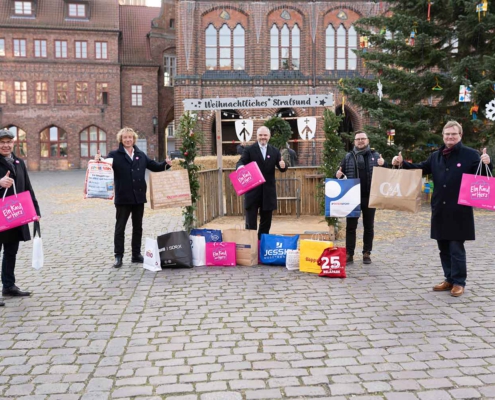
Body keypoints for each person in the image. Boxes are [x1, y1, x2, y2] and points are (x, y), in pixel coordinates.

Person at [393, 121, 492, 297]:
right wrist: (401, 164)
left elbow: (482, 177)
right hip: (440, 208)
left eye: (453, 134)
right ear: (443, 136)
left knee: (456, 247)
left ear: (460, 135)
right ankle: (449, 279)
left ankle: (459, 282)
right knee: (443, 247)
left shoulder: (470, 155)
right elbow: (420, 169)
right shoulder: (436, 156)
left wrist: (487, 163)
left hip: (459, 209)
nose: (450, 137)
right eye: (447, 134)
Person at [97, 127, 171, 268]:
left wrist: (166, 164)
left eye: (130, 137)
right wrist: (98, 160)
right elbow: (104, 165)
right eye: (125, 137)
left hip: (138, 198)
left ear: (134, 139)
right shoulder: (115, 155)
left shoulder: (140, 154)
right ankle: (118, 256)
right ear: (121, 139)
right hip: (123, 198)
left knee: (138, 228)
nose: (128, 140)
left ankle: (136, 255)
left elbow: (154, 166)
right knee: (120, 228)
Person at [0, 128, 41, 305]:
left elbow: (27, 188)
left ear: (13, 143)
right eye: (2, 142)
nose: (6, 145)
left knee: (11, 251)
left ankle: (8, 286)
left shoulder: (19, 162)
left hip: (15, 214)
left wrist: (35, 211)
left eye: (8, 142)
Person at [336, 131, 386, 265]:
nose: (360, 141)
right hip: (352, 197)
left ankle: (366, 253)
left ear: (367, 140)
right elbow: (339, 173)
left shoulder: (375, 156)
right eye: (358, 139)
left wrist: (383, 164)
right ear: (354, 142)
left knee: (368, 226)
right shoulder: (348, 157)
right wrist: (338, 174)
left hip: (370, 197)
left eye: (363, 138)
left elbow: (386, 174)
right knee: (350, 226)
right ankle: (349, 253)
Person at [236, 126, 288, 239]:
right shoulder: (249, 150)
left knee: (266, 223)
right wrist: (240, 168)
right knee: (251, 224)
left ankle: (262, 245)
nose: (263, 137)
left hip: (268, 192)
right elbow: (241, 161)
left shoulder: (274, 151)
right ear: (257, 136)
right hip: (252, 192)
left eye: (265, 135)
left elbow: (282, 166)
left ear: (269, 137)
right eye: (261, 135)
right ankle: (251, 247)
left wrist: (283, 165)